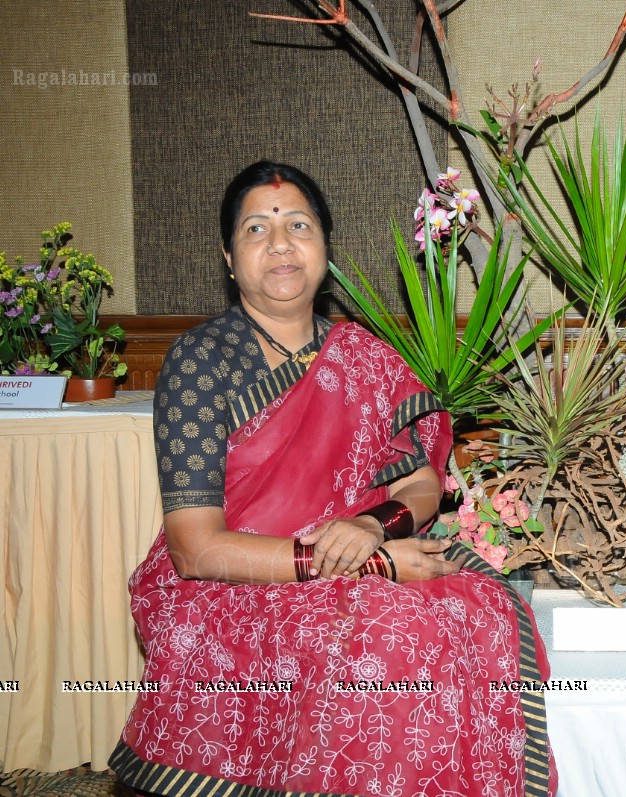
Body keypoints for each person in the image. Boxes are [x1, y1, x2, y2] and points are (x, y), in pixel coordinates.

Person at [110, 161, 553, 797]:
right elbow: (196, 548)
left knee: (476, 610)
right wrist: (363, 565)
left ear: (324, 246)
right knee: (392, 630)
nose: (281, 243)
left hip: (347, 554)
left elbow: (421, 485)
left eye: (299, 225)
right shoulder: (200, 361)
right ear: (230, 260)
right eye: (257, 230)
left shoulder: (364, 358)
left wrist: (373, 526)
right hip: (233, 580)